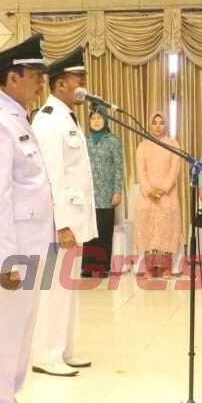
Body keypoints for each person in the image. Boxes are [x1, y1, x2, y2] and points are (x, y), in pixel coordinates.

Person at [0, 34, 55, 403]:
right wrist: (4, 259)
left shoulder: (19, 118)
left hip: (33, 245)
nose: (41, 81)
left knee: (22, 332)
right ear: (12, 77)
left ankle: (8, 401)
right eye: (35, 74)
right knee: (4, 330)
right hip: (14, 250)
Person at [30, 46, 95, 378]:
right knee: (54, 289)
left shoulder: (67, 117)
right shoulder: (48, 120)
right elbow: (51, 177)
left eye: (83, 77)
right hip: (61, 222)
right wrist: (61, 224)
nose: (83, 84)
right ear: (59, 84)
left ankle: (64, 349)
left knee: (67, 288)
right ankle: (46, 354)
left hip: (75, 218)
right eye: (77, 78)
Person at [134, 112, 181, 277]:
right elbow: (141, 171)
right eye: (155, 122)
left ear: (166, 125)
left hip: (167, 195)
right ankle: (150, 268)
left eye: (161, 122)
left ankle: (166, 267)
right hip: (147, 196)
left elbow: (174, 169)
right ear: (150, 124)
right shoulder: (143, 146)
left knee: (166, 230)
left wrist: (163, 189)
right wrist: (149, 190)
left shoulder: (173, 144)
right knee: (149, 230)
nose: (158, 126)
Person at [82, 110, 123, 278]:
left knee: (104, 230)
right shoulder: (84, 140)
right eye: (93, 118)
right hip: (88, 193)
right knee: (89, 230)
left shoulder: (113, 140)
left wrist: (117, 191)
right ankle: (87, 267)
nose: (96, 121)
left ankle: (102, 267)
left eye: (99, 118)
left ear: (105, 120)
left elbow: (118, 167)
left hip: (106, 193)